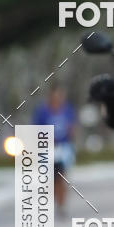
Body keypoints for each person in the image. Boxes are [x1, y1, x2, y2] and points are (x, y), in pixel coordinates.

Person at [33, 85, 77, 216]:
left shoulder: (67, 110)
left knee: (62, 177)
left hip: (63, 148)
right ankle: (55, 200)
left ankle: (61, 204)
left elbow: (72, 127)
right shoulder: (42, 111)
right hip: (48, 149)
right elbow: (37, 129)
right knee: (51, 179)